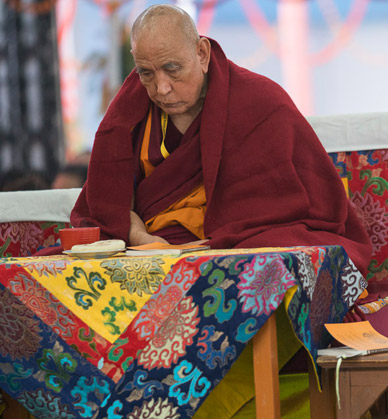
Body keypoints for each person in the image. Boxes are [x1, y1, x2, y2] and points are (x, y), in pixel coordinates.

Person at [69, 4, 371, 273]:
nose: (160, 88)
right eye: (146, 72)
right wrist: (139, 237)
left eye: (172, 69)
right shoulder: (130, 109)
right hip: (150, 248)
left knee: (270, 260)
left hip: (237, 242)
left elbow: (301, 210)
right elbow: (106, 203)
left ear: (201, 54)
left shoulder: (261, 102)